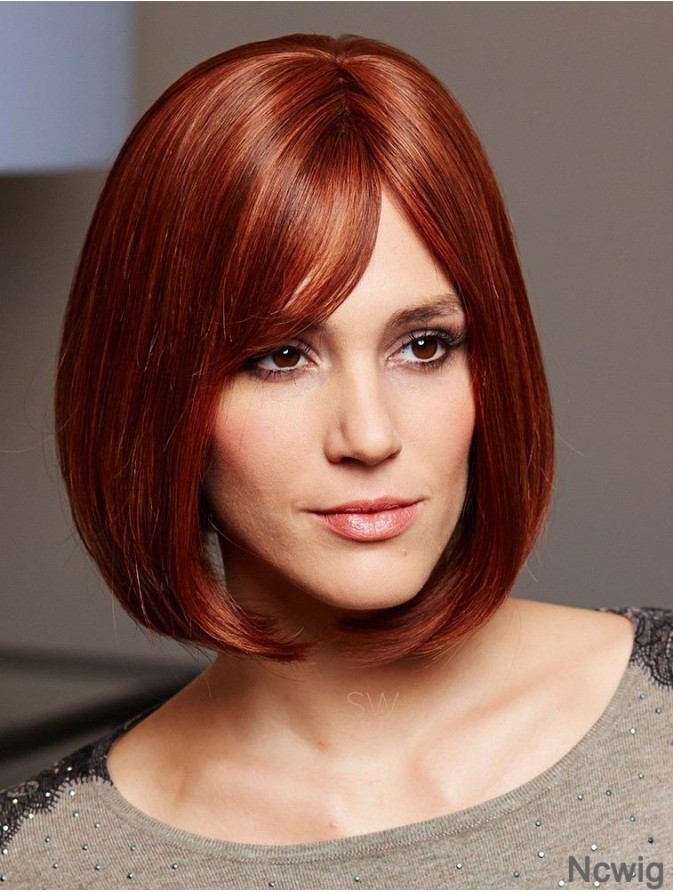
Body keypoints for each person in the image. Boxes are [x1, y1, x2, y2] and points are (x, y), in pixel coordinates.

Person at [1, 32, 671, 891]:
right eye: (281, 357)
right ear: (156, 396)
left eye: (424, 346)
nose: (369, 434)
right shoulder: (49, 864)